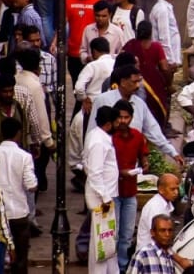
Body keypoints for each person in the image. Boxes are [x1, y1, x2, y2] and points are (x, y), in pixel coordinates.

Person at [0, 117, 34, 274]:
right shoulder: (24, 156)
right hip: (18, 212)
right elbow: (31, 185)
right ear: (18, 133)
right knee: (20, 256)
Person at [111, 100, 148, 270]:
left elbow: (143, 157)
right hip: (113, 192)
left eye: (126, 117)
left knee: (126, 234)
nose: (123, 121)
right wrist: (121, 172)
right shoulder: (110, 138)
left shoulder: (137, 137)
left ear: (131, 118)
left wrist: (144, 165)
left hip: (130, 191)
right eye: (120, 117)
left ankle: (123, 266)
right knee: (114, 233)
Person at [84, 105, 119, 274]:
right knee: (101, 240)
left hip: (106, 196)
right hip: (102, 199)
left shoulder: (98, 136)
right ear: (108, 124)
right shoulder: (98, 141)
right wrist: (105, 197)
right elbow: (95, 172)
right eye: (116, 121)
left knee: (108, 238)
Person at [137, 174, 181, 252]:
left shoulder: (165, 203)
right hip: (149, 253)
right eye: (172, 189)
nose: (176, 192)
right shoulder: (155, 207)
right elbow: (161, 239)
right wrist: (177, 257)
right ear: (161, 190)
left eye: (177, 189)